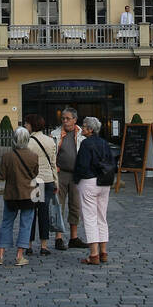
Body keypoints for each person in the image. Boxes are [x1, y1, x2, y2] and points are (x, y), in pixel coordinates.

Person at [0, 127, 40, 267]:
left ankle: (0, 254)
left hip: (11, 194)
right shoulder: (33, 156)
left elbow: (1, 176)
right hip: (29, 195)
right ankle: (20, 255)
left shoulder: (7, 156)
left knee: (6, 223)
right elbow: (35, 174)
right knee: (26, 224)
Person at [73, 117, 114, 265]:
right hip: (104, 181)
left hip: (89, 181)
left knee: (90, 217)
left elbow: (82, 165)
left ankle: (94, 254)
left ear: (90, 129)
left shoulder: (86, 143)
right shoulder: (104, 143)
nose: (82, 129)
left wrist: (76, 179)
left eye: (84, 127)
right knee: (102, 217)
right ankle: (103, 251)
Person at [24, 115, 57, 256]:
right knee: (44, 213)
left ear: (32, 125)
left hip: (35, 181)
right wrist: (56, 181)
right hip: (48, 180)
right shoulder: (50, 141)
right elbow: (54, 164)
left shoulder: (28, 142)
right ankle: (44, 245)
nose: (25, 125)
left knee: (31, 213)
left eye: (26, 123)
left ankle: (29, 244)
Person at [53, 107, 85, 249]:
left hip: (77, 175)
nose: (65, 121)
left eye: (67, 118)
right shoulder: (55, 134)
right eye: (63, 119)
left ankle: (74, 237)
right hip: (61, 174)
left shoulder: (82, 134)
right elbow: (51, 153)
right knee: (58, 205)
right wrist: (54, 167)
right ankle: (58, 237)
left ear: (74, 120)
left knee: (75, 206)